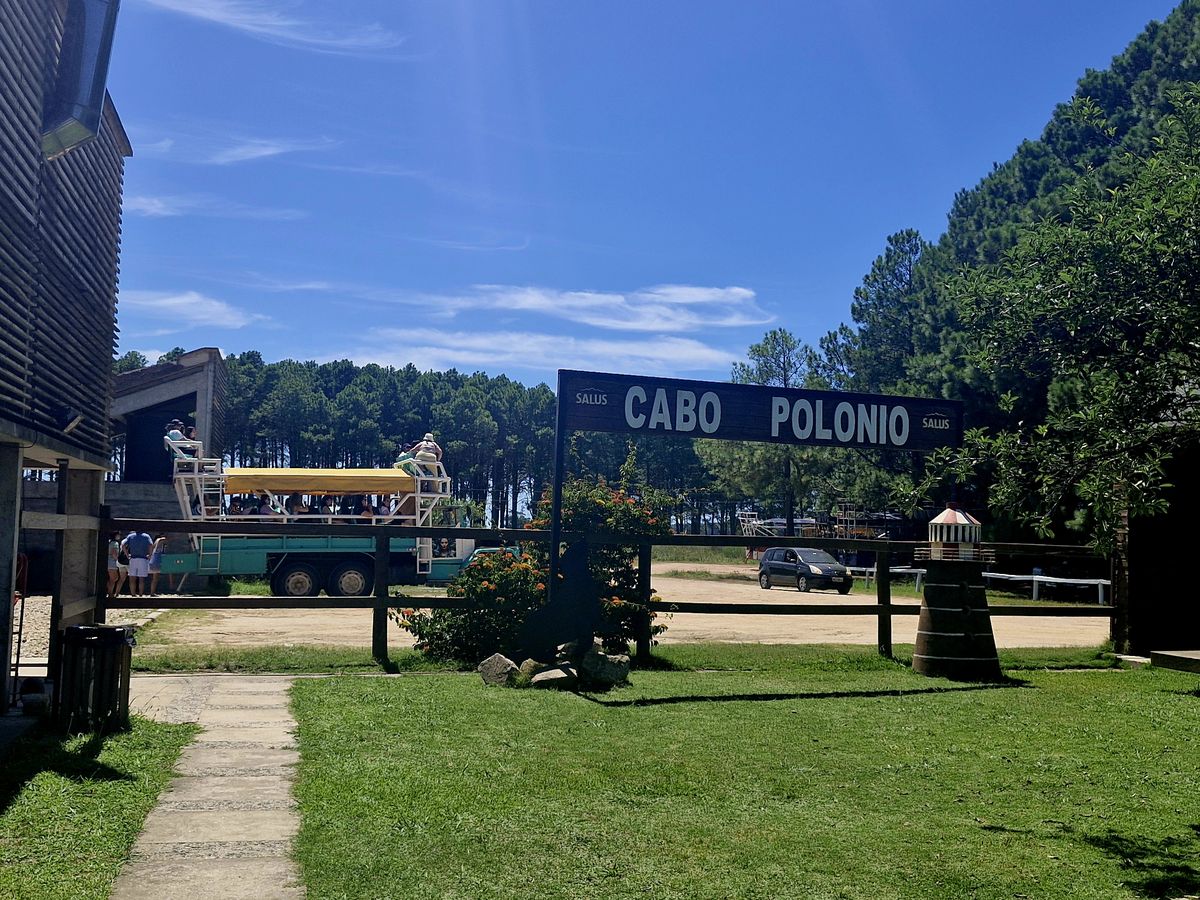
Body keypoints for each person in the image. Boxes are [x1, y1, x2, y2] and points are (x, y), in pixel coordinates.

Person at [121, 528, 154, 597]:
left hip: (133, 558)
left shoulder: (130, 536)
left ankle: (133, 594)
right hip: (143, 559)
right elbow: (151, 545)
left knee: (132, 578)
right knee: (141, 579)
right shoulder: (146, 536)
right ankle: (140, 594)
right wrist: (150, 555)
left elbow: (123, 545)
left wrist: (127, 555)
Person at [107, 531, 127, 599]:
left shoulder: (109, 542)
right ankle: (110, 593)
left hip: (108, 562)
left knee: (111, 579)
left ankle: (110, 592)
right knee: (114, 578)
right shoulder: (115, 543)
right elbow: (114, 553)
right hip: (112, 563)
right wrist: (118, 560)